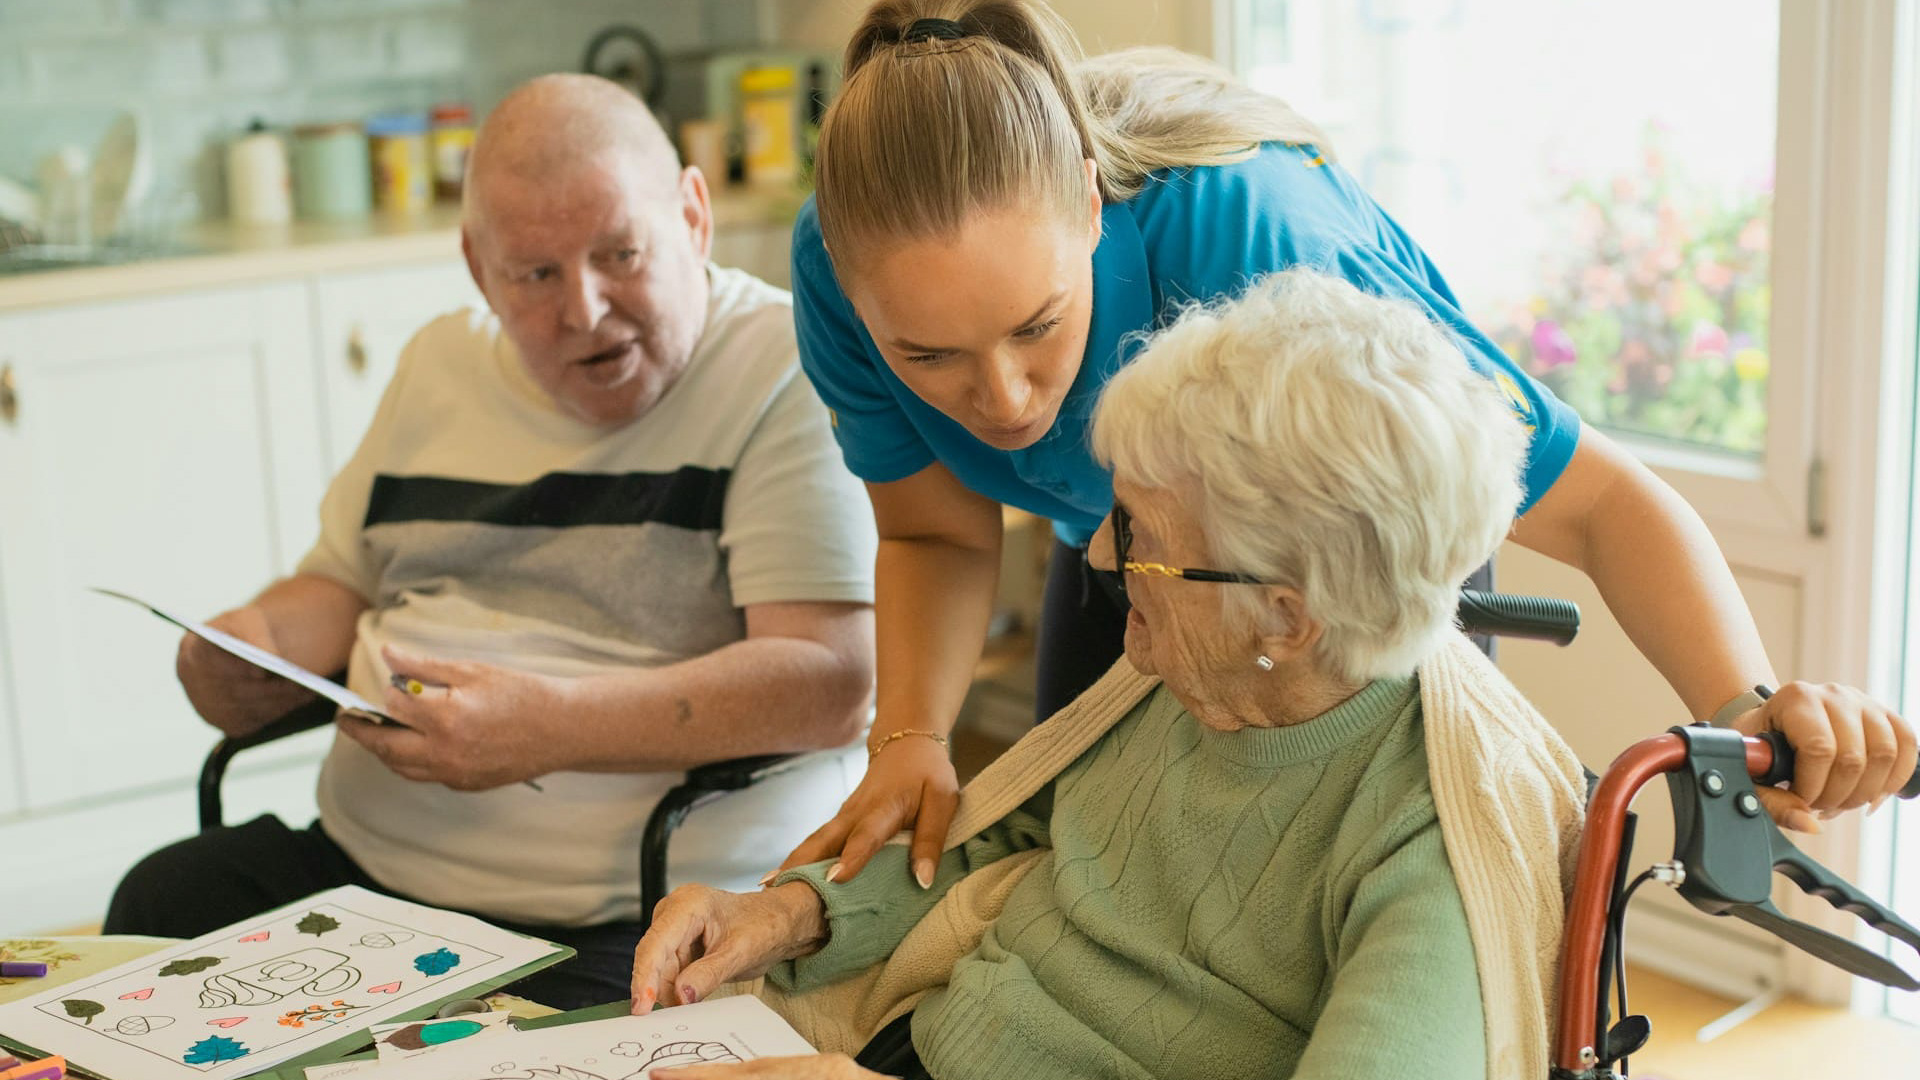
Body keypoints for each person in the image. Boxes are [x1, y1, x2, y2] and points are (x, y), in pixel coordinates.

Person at [775, 0, 1917, 890]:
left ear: (1086, 207)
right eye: (929, 359)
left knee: (1385, 878)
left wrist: (1744, 711)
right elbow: (932, 531)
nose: (1006, 399)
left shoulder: (1269, 255)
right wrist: (910, 737)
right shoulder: (838, 264)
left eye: (1039, 327)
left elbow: (1602, 503)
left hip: (1361, 522)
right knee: (1086, 854)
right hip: (1128, 537)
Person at [630, 270, 1588, 1080]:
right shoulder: (1192, 682)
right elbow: (990, 845)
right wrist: (786, 914)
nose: (1097, 561)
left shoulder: (1434, 843)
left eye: (1142, 538)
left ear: (1287, 617)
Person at [104, 74, 879, 1010]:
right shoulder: (440, 360)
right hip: (362, 871)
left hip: (629, 913)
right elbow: (339, 585)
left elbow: (832, 682)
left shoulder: (782, 365)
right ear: (479, 268)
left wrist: (548, 730)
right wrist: (248, 646)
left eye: (621, 253)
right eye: (536, 274)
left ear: (693, 216)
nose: (586, 309)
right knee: (160, 903)